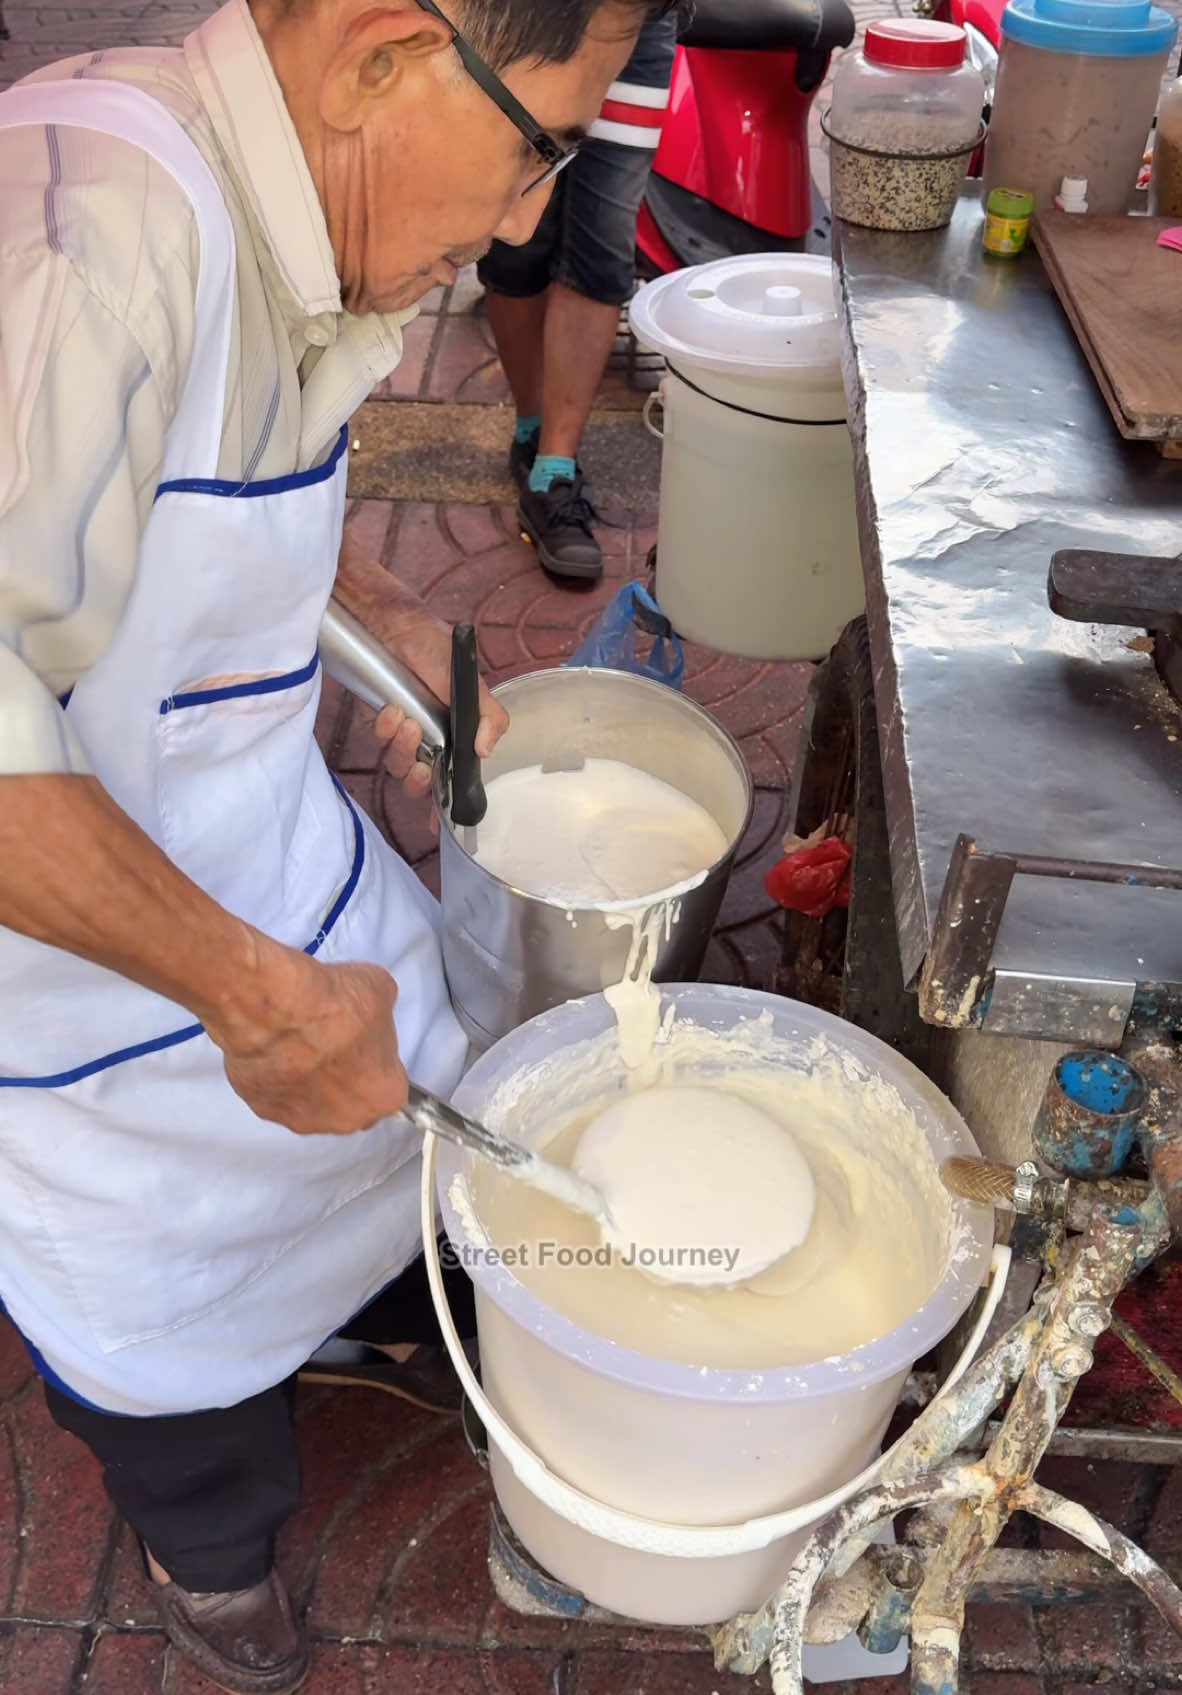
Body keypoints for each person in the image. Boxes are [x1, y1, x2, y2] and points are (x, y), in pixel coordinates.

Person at [0, 0, 675, 1690]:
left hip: (239, 837)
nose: (525, 222)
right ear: (385, 54)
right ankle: (209, 1554)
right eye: (535, 150)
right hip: (61, 983)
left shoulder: (271, 200)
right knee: (157, 1309)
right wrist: (239, 988)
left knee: (395, 1087)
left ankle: (361, 1303)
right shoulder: (85, 239)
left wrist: (375, 631)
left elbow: (215, 513)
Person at [479, 10, 678, 582]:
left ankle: (553, 472)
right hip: (522, 20)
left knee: (603, 244)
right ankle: (531, 428)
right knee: (515, 234)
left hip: (638, 21)